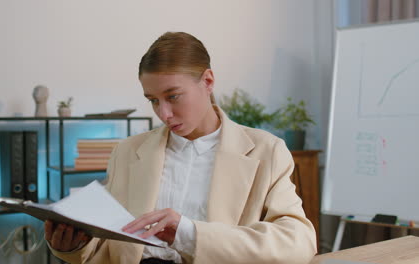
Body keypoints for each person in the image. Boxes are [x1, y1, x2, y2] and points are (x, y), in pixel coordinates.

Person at [45, 32, 317, 264]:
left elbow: (298, 243)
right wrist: (72, 247)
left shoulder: (265, 151)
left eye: (173, 96)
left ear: (208, 81)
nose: (163, 113)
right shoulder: (127, 152)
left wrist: (188, 233)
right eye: (152, 100)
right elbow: (107, 250)